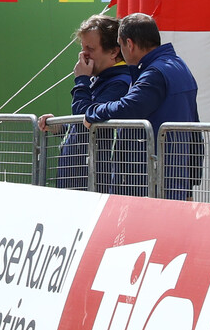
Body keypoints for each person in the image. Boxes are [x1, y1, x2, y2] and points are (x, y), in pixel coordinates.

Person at [80, 13, 203, 200]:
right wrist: (190, 184)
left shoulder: (154, 73)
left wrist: (94, 112)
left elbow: (129, 107)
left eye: (121, 45)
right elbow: (195, 128)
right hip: (174, 177)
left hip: (150, 181)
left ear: (129, 44)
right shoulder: (179, 66)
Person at [41, 15, 134, 191]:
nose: (83, 55)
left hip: (95, 186)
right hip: (78, 183)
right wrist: (59, 127)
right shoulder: (99, 79)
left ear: (113, 52)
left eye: (90, 49)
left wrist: (82, 80)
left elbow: (87, 119)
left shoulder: (120, 83)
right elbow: (83, 125)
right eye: (82, 48)